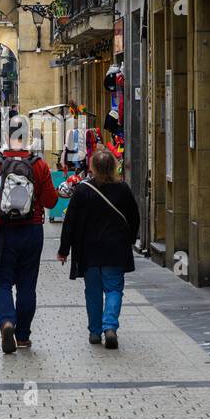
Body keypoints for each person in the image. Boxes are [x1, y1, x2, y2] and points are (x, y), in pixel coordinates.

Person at [0, 115, 59, 354]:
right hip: (31, 231)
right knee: (27, 285)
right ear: (27, 135)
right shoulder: (38, 164)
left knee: (1, 282)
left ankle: (7, 322)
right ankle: (22, 337)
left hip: (1, 232)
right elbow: (51, 200)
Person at [56, 149, 140, 349]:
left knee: (92, 291)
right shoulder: (123, 190)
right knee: (113, 289)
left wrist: (64, 250)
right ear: (113, 167)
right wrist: (128, 240)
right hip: (115, 249)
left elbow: (70, 223)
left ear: (92, 167)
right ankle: (109, 326)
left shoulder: (82, 191)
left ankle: (95, 332)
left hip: (88, 251)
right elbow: (134, 218)